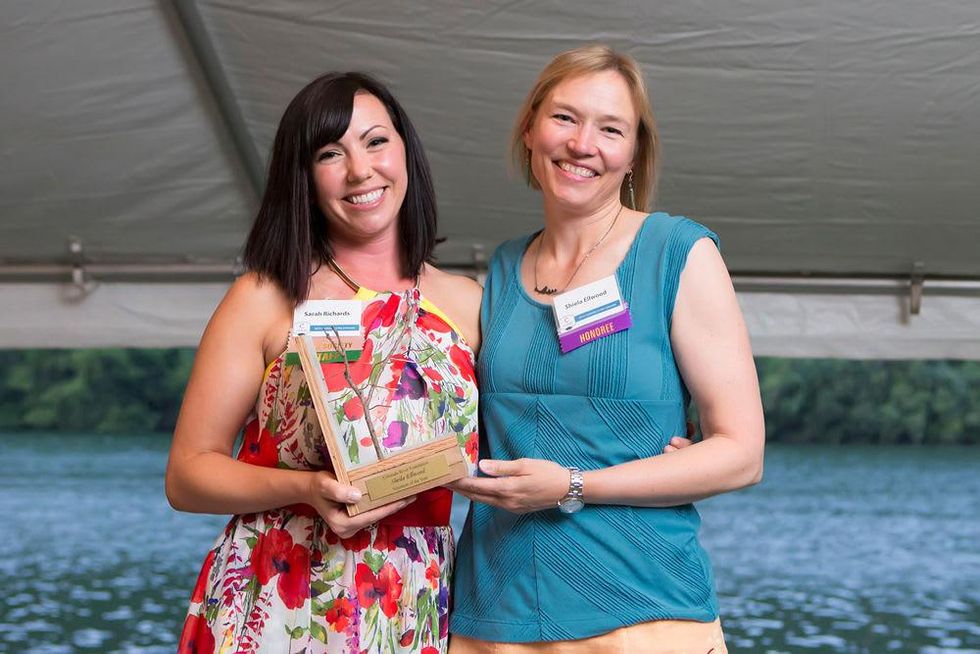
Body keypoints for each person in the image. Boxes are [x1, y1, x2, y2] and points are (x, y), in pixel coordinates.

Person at [449, 45, 765, 653]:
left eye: (610, 128)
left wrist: (573, 484)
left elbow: (742, 456)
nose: (582, 143)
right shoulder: (505, 266)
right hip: (493, 617)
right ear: (529, 129)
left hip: (641, 612)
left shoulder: (677, 252)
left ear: (633, 155)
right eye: (565, 118)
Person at [166, 72, 482, 654]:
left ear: (406, 151)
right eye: (331, 153)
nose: (361, 169)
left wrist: (668, 441)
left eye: (376, 141)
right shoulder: (264, 296)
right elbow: (187, 476)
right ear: (305, 178)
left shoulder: (467, 302)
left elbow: (535, 431)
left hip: (412, 598)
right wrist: (307, 489)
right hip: (275, 596)